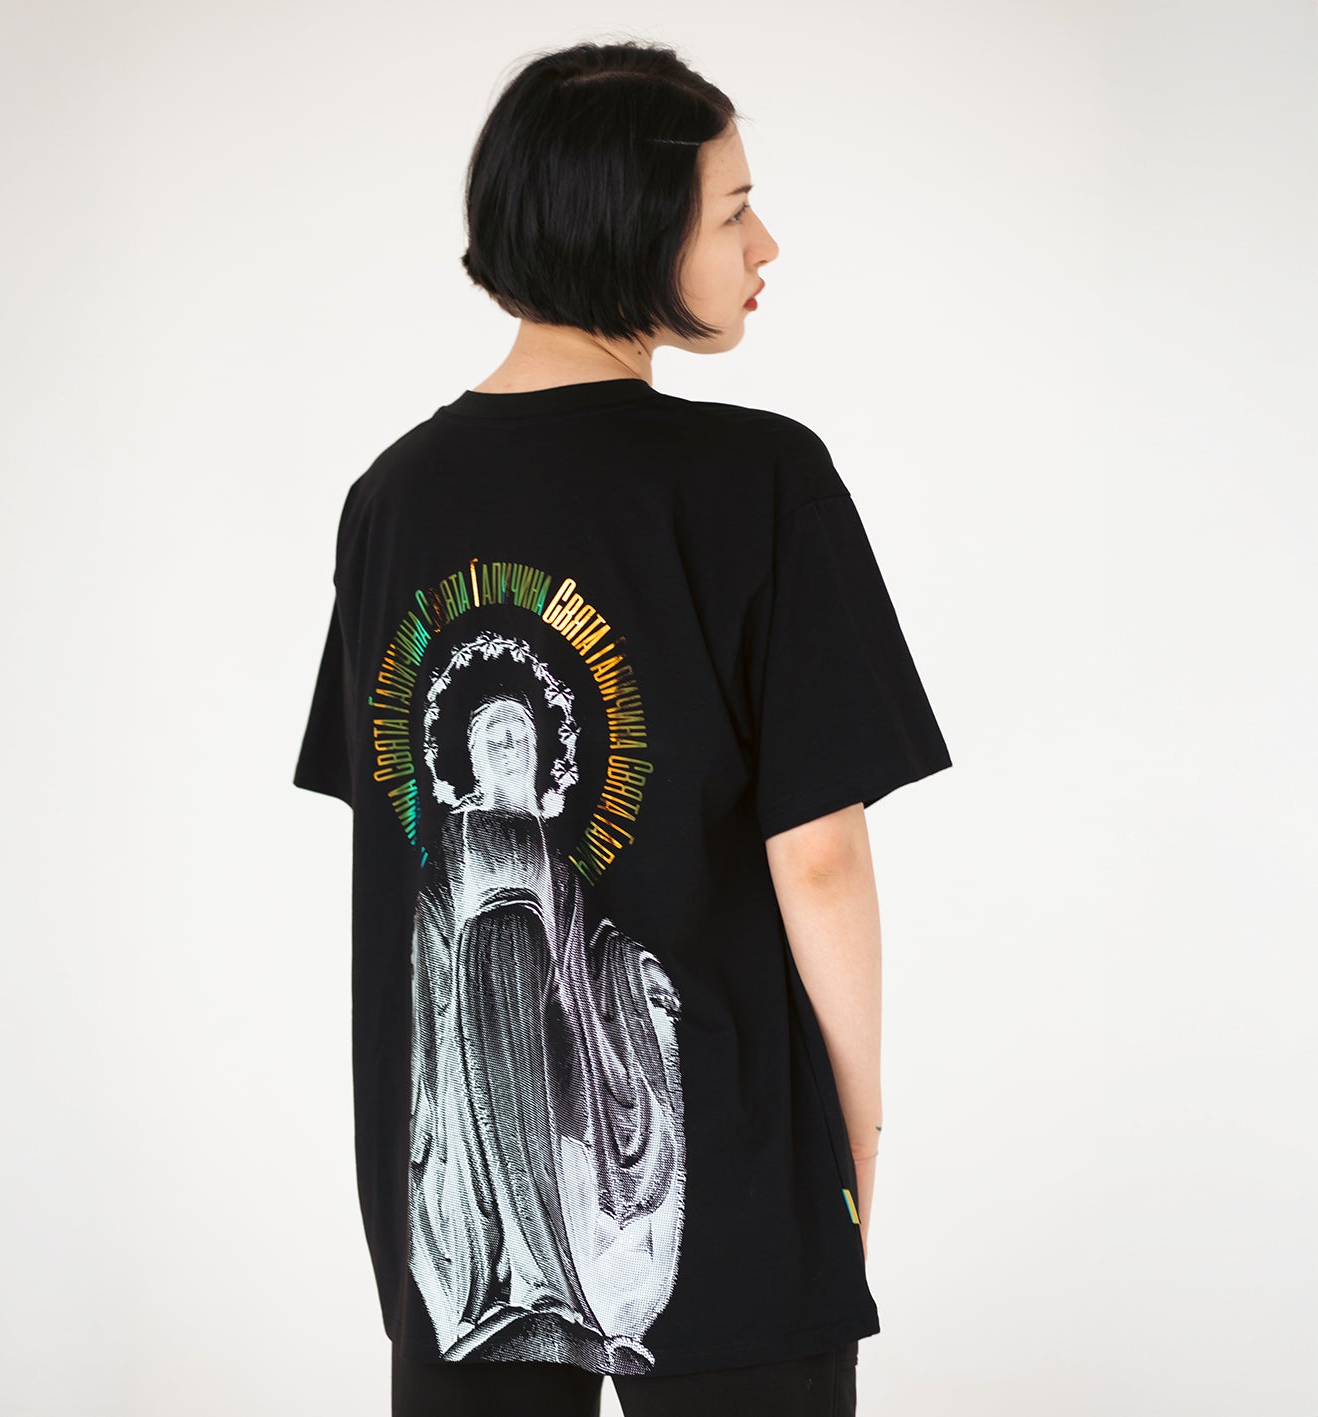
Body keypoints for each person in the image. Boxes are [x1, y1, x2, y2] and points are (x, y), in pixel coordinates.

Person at [293, 38, 952, 1417]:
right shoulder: (758, 481)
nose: (765, 245)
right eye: (732, 211)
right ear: (631, 228)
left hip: (452, 1199)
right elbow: (818, 854)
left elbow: (392, 851)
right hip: (725, 1161)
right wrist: (857, 1127)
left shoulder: (388, 501)